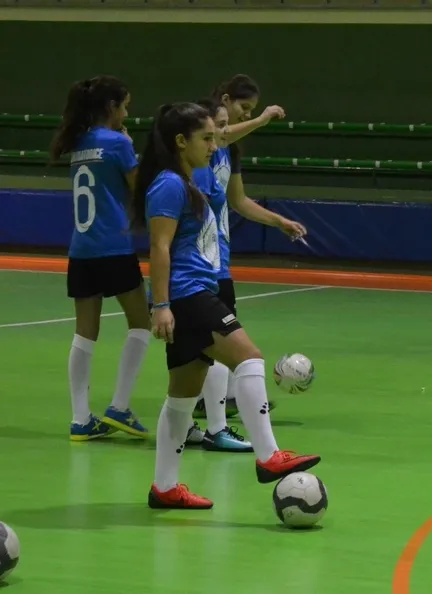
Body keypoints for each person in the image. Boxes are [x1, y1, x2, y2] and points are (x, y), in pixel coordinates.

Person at [129, 102, 320, 509]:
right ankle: (268, 456)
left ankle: (164, 488)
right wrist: (161, 305)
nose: (214, 145)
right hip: (187, 294)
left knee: (182, 397)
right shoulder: (169, 185)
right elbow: (159, 247)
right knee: (249, 357)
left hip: (195, 290)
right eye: (207, 138)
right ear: (181, 142)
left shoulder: (188, 180)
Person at [183, 95, 306, 452]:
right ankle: (221, 428)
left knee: (196, 354)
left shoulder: (222, 157)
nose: (223, 134)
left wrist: (278, 221)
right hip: (202, 268)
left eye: (225, 127)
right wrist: (263, 119)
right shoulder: (190, 172)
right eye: (217, 128)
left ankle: (191, 426)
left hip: (216, 262)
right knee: (222, 348)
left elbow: (239, 201)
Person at [49, 75, 151, 442]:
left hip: (81, 250)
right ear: (111, 107)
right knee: (141, 324)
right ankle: (119, 406)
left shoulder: (78, 142)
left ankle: (81, 419)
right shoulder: (117, 143)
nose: (127, 114)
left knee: (84, 334)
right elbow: (140, 189)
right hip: (114, 247)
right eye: (125, 107)